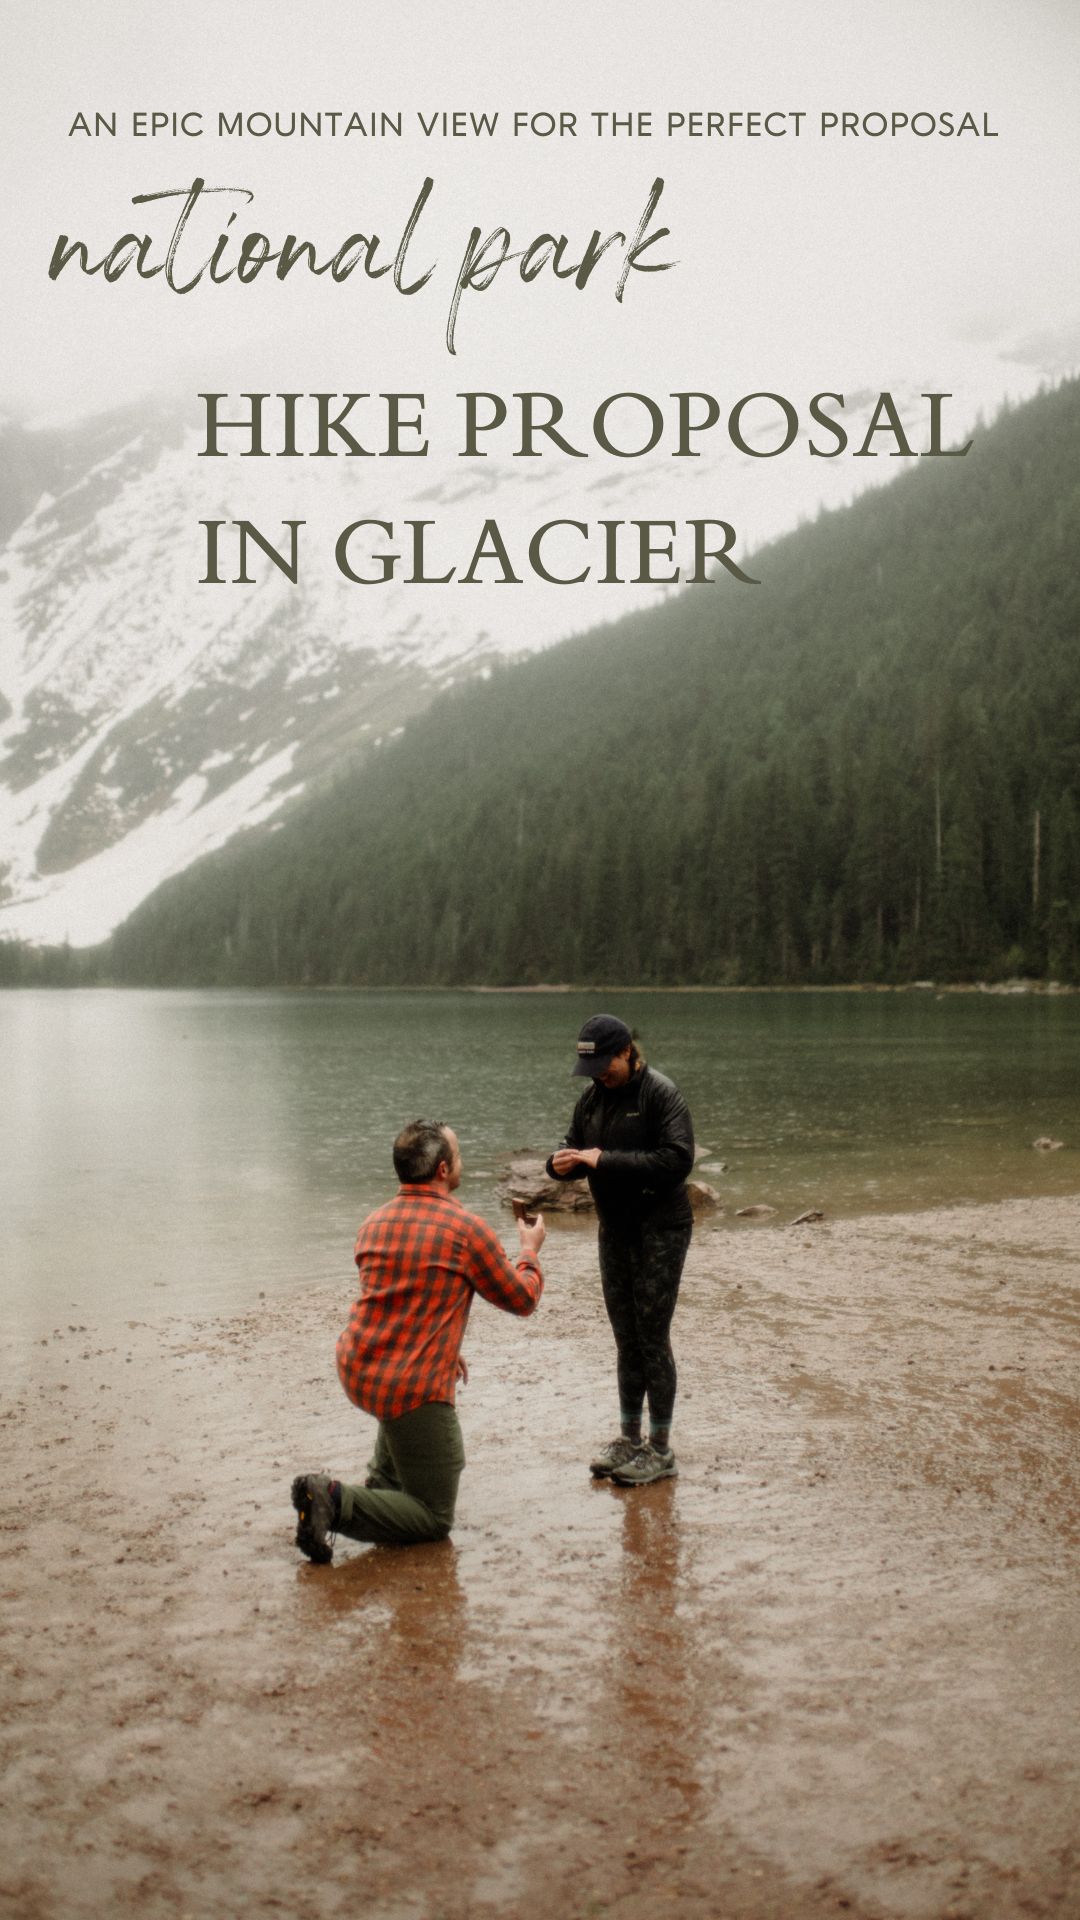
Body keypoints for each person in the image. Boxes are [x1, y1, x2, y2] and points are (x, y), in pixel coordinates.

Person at [291, 1118, 545, 1564]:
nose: (462, 1162)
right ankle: (332, 1499)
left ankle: (377, 1491)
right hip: (408, 1384)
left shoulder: (373, 1223)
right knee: (433, 1517)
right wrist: (530, 1251)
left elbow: (404, 1294)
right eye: (460, 1155)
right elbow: (522, 1299)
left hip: (358, 1366)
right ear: (443, 1171)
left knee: (397, 1458)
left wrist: (447, 1347)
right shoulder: (466, 1229)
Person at [546, 1014, 694, 1486]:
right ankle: (629, 1438)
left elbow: (676, 1161)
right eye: (589, 1068)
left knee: (653, 1336)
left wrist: (603, 1160)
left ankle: (661, 1448)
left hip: (661, 1229)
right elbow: (576, 1148)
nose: (597, 1076)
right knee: (625, 1336)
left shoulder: (660, 1094)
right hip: (615, 1230)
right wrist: (559, 1165)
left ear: (627, 1052)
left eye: (605, 1065)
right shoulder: (592, 1098)